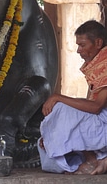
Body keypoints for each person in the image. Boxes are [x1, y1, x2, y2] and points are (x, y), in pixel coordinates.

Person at [38, 20, 107, 175]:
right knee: (52, 127)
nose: (78, 50)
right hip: (102, 121)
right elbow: (88, 104)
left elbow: (96, 107)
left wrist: (58, 97)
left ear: (98, 43)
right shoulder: (98, 64)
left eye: (82, 45)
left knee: (62, 110)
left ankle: (93, 160)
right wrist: (52, 130)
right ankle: (95, 159)